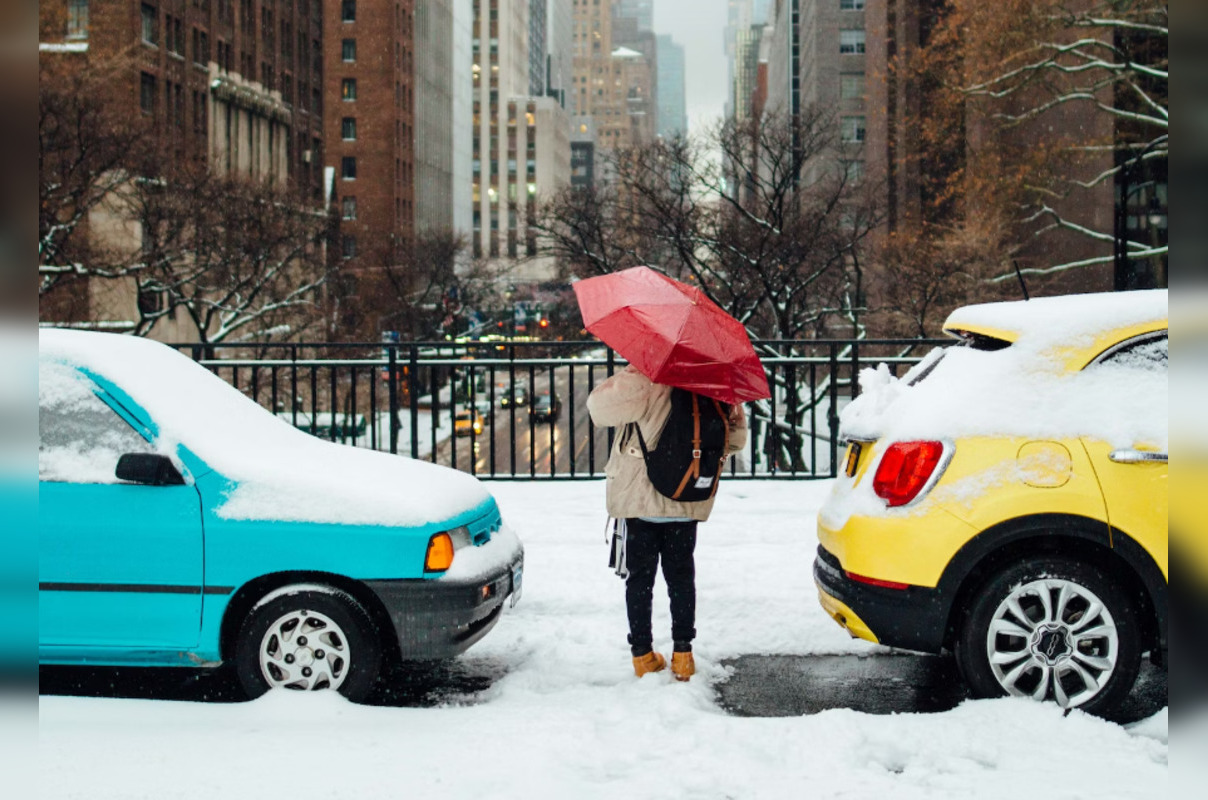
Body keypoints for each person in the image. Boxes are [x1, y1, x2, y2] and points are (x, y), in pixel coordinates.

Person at [586, 365, 748, 681]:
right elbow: (736, 440)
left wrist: (627, 372)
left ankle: (643, 655)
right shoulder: (714, 380)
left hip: (641, 500)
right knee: (682, 577)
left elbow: (598, 409)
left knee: (639, 581)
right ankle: (683, 654)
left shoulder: (647, 378)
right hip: (687, 499)